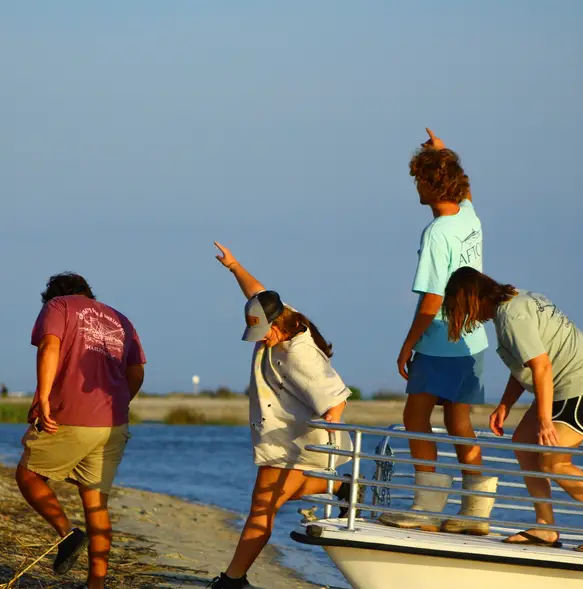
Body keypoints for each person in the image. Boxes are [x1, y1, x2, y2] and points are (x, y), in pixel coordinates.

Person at [442, 267, 583, 552]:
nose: (466, 317)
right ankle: (545, 526)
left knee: (555, 462)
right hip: (561, 383)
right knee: (524, 444)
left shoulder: (511, 316)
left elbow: (541, 366)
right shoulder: (515, 299)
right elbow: (527, 363)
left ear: (471, 298)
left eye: (460, 307)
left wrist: (544, 421)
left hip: (582, 382)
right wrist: (505, 405)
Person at [208, 242, 355, 589]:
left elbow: (336, 395)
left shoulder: (298, 355)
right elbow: (257, 291)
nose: (262, 340)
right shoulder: (282, 314)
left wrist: (334, 419)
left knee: (262, 507)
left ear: (277, 322)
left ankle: (232, 580)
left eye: (264, 333)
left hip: (298, 438)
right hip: (283, 435)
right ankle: (342, 488)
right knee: (271, 500)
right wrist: (234, 266)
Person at [379, 129, 498, 534]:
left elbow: (431, 301)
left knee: (415, 415)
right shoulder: (470, 215)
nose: (416, 185)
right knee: (458, 422)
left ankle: (426, 508)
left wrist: (407, 345)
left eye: (420, 179)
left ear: (433, 184)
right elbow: (464, 191)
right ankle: (476, 512)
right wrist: (441, 152)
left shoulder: (436, 234)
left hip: (442, 338)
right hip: (473, 337)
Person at [16, 272, 145, 589]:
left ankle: (67, 533)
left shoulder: (59, 306)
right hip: (113, 422)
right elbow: (137, 372)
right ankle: (96, 584)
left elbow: (49, 346)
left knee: (29, 475)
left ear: (54, 295)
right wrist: (119, 403)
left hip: (70, 416)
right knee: (96, 502)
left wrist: (44, 399)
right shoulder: (121, 319)